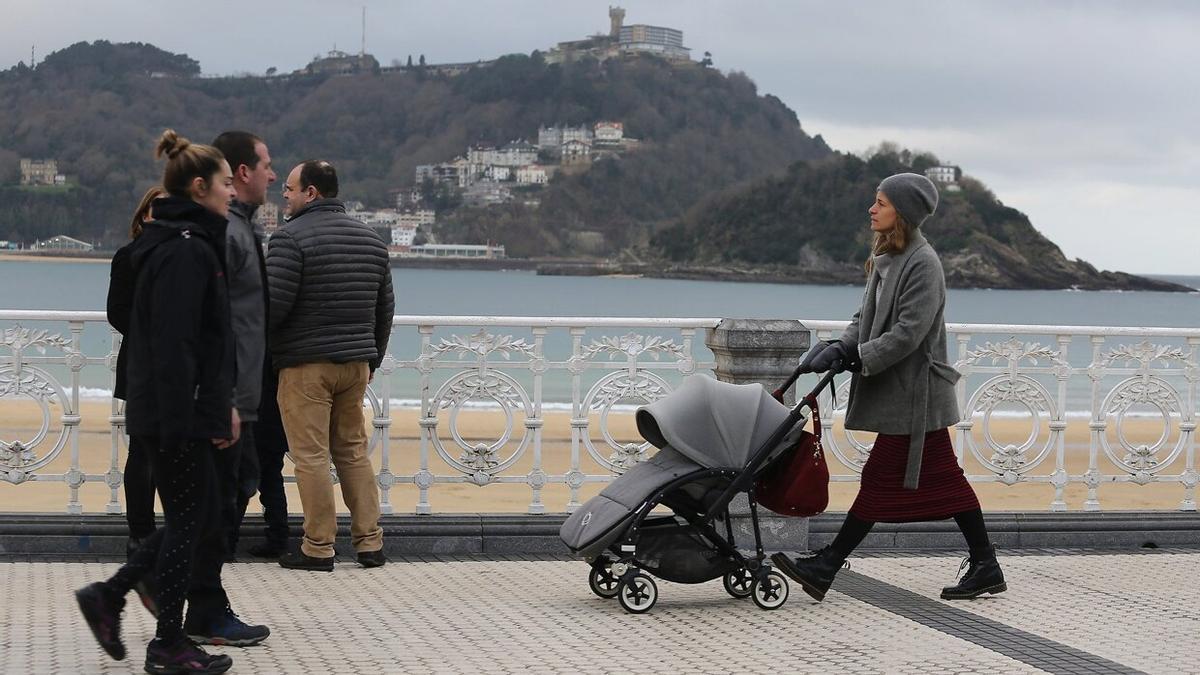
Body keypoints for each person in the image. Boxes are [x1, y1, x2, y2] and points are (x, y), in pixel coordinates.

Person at [771, 173, 1006, 602]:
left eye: (880, 202)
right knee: (945, 481)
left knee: (881, 479)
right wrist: (839, 347)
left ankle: (826, 565)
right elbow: (863, 317)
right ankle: (986, 564)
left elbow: (908, 333)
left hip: (915, 395)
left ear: (903, 211)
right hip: (903, 393)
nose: (871, 208)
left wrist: (857, 358)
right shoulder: (888, 254)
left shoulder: (923, 263)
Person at [76, 130, 243, 673]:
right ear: (200, 187)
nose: (232, 193)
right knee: (192, 519)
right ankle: (164, 640)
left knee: (197, 516)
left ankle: (114, 595)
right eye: (224, 184)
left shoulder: (181, 243)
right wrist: (193, 416)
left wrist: (218, 404)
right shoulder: (185, 250)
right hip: (177, 412)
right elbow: (177, 343)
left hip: (176, 407)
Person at [267, 160, 394, 572]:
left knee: (311, 456)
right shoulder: (371, 240)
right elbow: (384, 308)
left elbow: (274, 306)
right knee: (353, 452)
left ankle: (318, 547)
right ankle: (370, 543)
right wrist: (372, 355)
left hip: (306, 365)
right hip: (356, 363)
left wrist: (266, 352)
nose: (283, 195)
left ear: (311, 193)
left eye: (289, 189)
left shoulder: (289, 239)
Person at [210, 131, 276, 559]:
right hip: (230, 394)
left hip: (243, 391)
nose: (272, 174)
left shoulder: (242, 229)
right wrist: (225, 397)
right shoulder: (230, 234)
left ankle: (204, 597)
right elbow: (214, 321)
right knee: (223, 495)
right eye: (266, 165)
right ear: (242, 172)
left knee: (239, 485)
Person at [108, 185, 166, 562]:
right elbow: (117, 311)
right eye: (156, 209)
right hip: (143, 364)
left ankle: (162, 535)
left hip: (179, 367)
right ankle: (139, 534)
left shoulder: (187, 256)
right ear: (143, 214)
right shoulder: (127, 257)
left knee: (171, 450)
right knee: (142, 451)